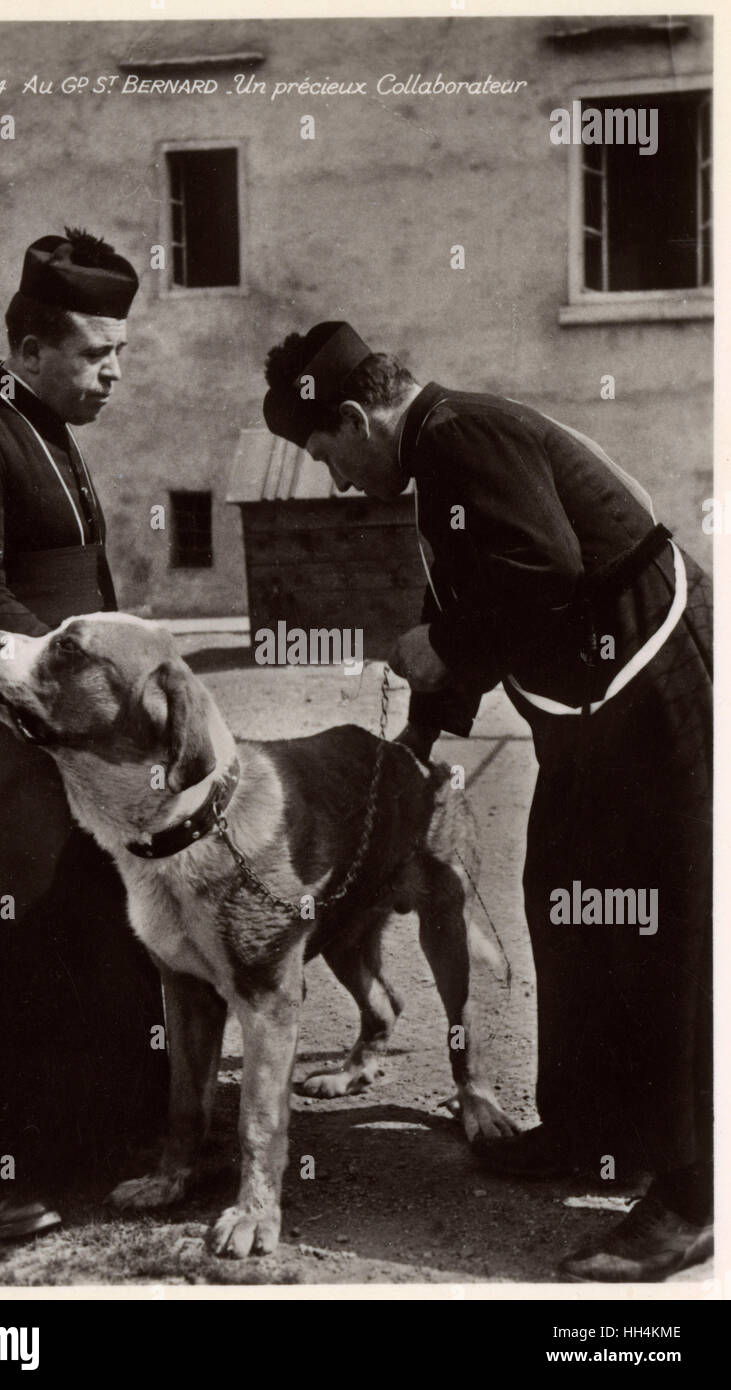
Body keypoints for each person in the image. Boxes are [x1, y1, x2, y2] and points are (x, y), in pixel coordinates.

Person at [261, 320, 712, 1282]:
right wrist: (412, 750)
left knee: (658, 937)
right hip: (592, 714)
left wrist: (443, 649)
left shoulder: (461, 436)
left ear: (352, 416)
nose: (337, 481)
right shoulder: (440, 460)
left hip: (659, 692)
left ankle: (689, 1197)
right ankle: (595, 1131)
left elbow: (538, 573)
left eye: (327, 456)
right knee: (565, 899)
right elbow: (481, 590)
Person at [0, 229, 165, 1240]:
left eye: (121, 353)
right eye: (97, 354)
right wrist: (77, 702)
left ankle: (93, 1136)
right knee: (1, 936)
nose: (114, 373)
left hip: (72, 731)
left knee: (92, 921)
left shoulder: (47, 427)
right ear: (25, 349)